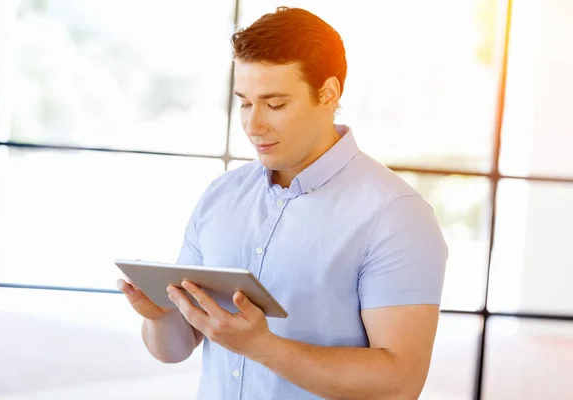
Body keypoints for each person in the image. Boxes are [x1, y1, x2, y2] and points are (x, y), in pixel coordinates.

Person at [117, 6, 447, 400]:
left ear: (328, 93)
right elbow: (173, 349)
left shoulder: (395, 215)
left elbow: (401, 383)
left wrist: (262, 347)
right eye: (244, 102)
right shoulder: (221, 197)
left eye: (275, 104)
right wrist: (159, 315)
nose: (254, 125)